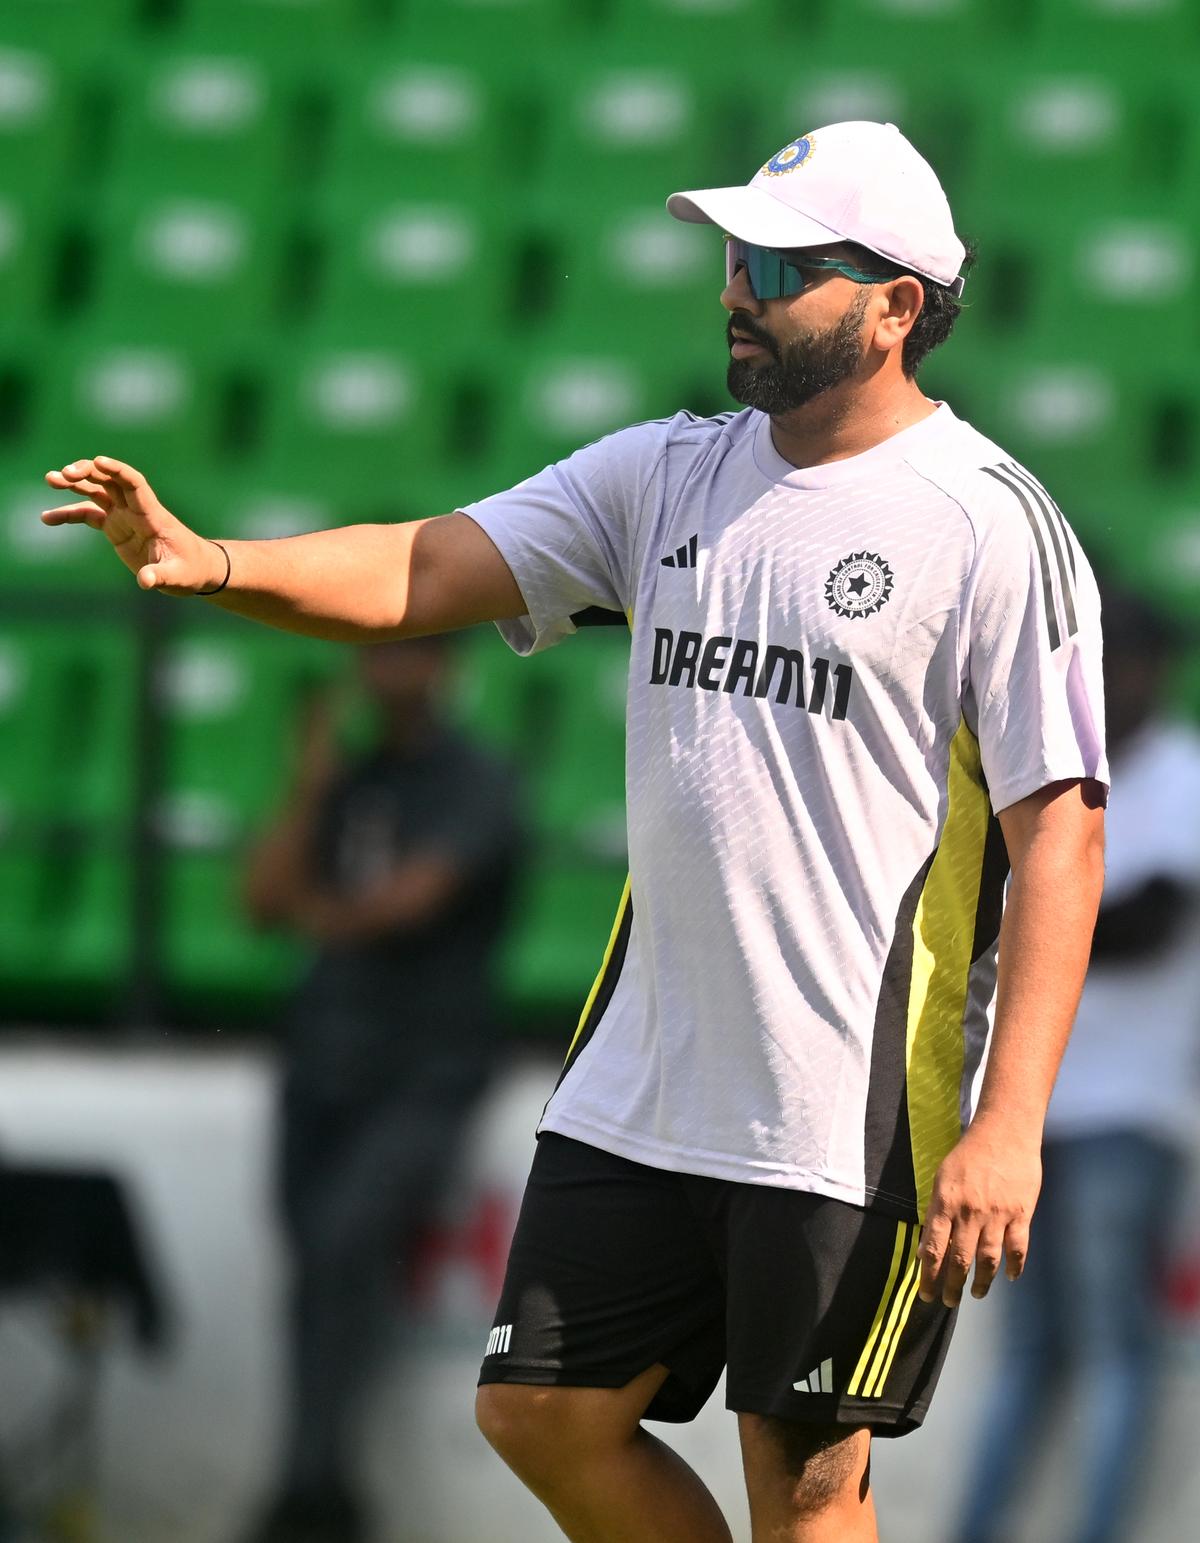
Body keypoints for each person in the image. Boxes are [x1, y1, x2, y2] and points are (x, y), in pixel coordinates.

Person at [41, 119, 1107, 1543]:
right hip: (644, 1082)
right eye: (733, 254)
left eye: (782, 263)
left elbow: (1064, 838)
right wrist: (214, 560)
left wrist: (1010, 1123)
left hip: (846, 1112)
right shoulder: (667, 472)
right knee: (541, 1407)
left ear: (896, 303)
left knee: (806, 1487)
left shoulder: (989, 526)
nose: (737, 285)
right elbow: (422, 564)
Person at [238, 637, 521, 1543]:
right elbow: (258, 899)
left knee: (341, 1241)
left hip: (423, 1069)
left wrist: (317, 915)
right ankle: (313, 1485)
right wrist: (309, 786)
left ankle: (313, 1493)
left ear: (446, 666)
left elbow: (407, 903)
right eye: (377, 653)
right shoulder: (348, 781)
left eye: (411, 652)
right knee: (312, 1263)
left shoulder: (477, 781)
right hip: (321, 1059)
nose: (390, 670)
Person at [956, 584, 1200, 1543]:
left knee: (1108, 1354)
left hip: (1131, 1111)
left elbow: (1150, 925)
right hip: (1030, 1115)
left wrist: (1041, 916)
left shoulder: (1183, 773)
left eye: (1133, 663)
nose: (1118, 681)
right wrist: (1055, 910)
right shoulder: (1051, 774)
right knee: (1027, 1355)